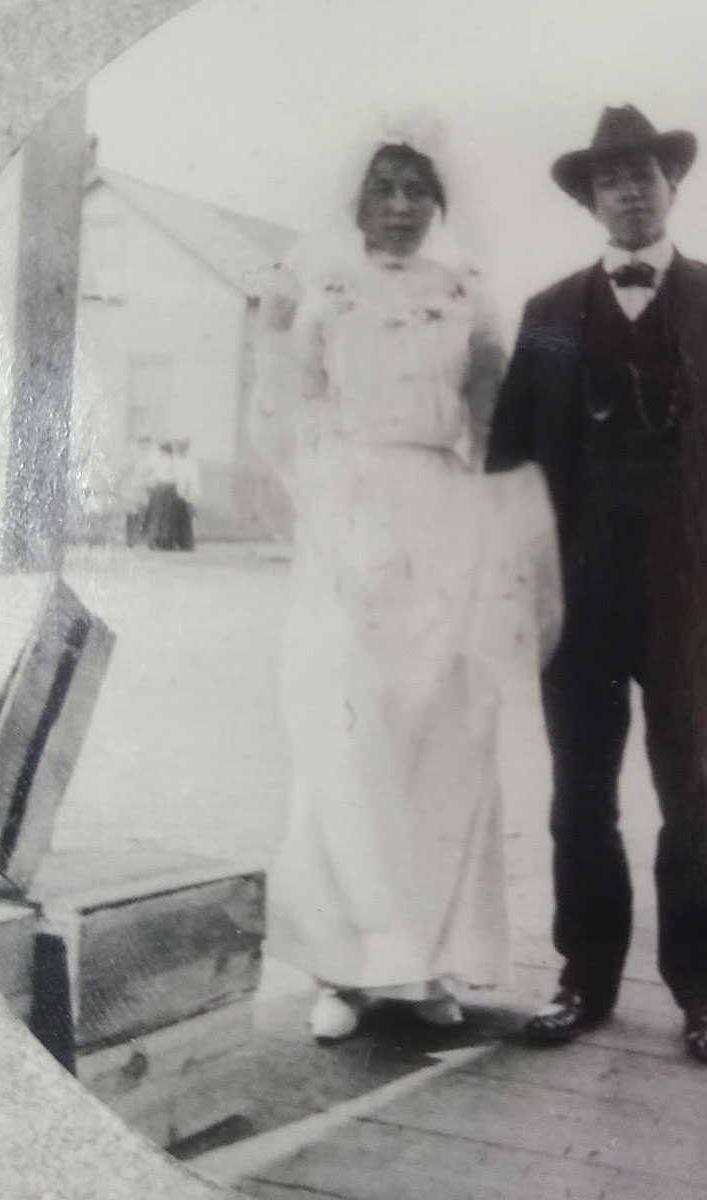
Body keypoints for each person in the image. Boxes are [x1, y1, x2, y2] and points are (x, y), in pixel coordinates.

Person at [487, 105, 707, 1063]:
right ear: (590, 199)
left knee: (690, 786)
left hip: (685, 595)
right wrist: (527, 572)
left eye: (644, 174)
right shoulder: (545, 315)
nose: (628, 190)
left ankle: (705, 993)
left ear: (671, 187)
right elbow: (510, 455)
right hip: (574, 601)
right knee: (580, 793)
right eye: (609, 179)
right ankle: (584, 979)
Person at [250, 117, 560, 1042]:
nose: (399, 207)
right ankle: (345, 970)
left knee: (443, 734)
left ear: (440, 202)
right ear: (356, 200)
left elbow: (493, 429)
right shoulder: (322, 294)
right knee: (350, 731)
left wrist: (498, 545)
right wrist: (332, 511)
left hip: (442, 517)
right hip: (346, 516)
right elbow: (289, 417)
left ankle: (423, 962)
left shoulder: (470, 297)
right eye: (383, 188)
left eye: (416, 190)